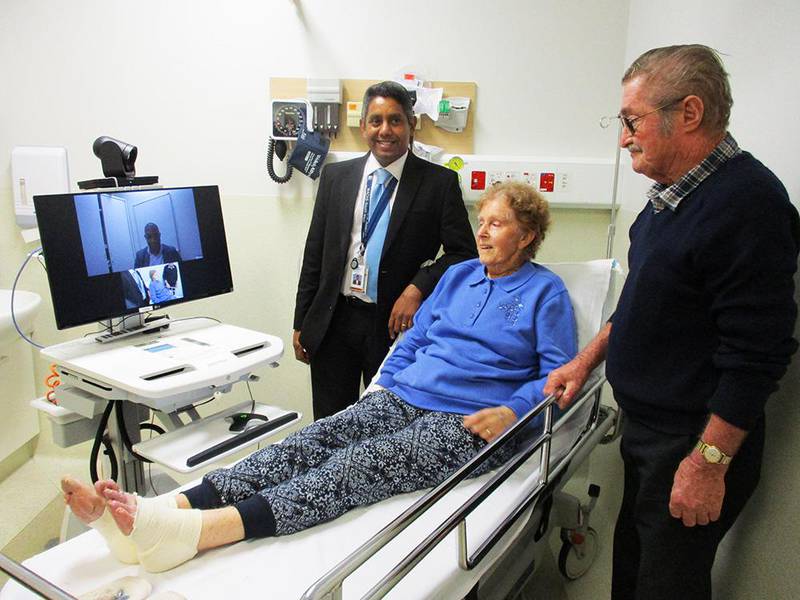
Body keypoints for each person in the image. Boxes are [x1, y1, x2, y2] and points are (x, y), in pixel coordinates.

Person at [62, 182, 577, 573]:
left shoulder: (545, 293)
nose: (482, 231)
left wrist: (515, 412)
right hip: (403, 395)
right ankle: (165, 507)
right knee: (312, 438)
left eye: (497, 224)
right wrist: (381, 385)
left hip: (472, 420)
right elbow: (415, 339)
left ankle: (195, 533)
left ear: (527, 236)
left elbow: (557, 377)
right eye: (481, 221)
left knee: (360, 462)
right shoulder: (458, 276)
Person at [544, 44, 799, 600]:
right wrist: (584, 361)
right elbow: (640, 302)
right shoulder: (670, 201)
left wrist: (707, 464)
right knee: (634, 579)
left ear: (687, 113)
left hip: (694, 443)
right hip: (652, 436)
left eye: (631, 121)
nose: (623, 137)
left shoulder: (749, 204)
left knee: (668, 588)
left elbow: (757, 355)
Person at [293, 80, 477, 420]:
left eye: (395, 120)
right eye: (376, 120)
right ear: (363, 126)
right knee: (328, 426)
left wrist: (417, 287)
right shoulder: (336, 177)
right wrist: (302, 321)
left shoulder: (438, 184)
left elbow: (464, 255)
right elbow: (315, 252)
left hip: (393, 328)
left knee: (384, 424)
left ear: (412, 126)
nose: (385, 130)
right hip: (333, 322)